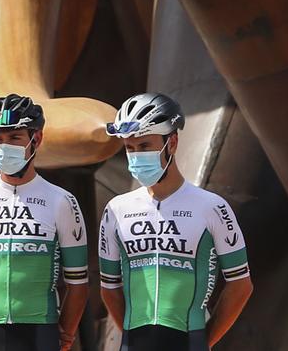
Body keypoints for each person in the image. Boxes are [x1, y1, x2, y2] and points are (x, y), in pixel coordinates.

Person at [96, 93, 252, 350]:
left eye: (144, 146)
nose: (135, 156)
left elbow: (241, 285)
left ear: (173, 142)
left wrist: (205, 342)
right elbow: (108, 288)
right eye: (129, 148)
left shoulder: (212, 207)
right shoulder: (116, 210)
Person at [0, 94, 90, 351]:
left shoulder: (61, 201)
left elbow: (79, 285)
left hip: (39, 331)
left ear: (36, 139)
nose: (4, 146)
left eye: (14, 137)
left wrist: (66, 333)